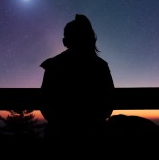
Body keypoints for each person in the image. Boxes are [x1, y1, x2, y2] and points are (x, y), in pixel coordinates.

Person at [40, 14, 114, 143]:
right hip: (93, 133)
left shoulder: (54, 64)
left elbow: (45, 102)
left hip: (58, 133)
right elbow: (108, 104)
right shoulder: (99, 65)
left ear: (65, 41)